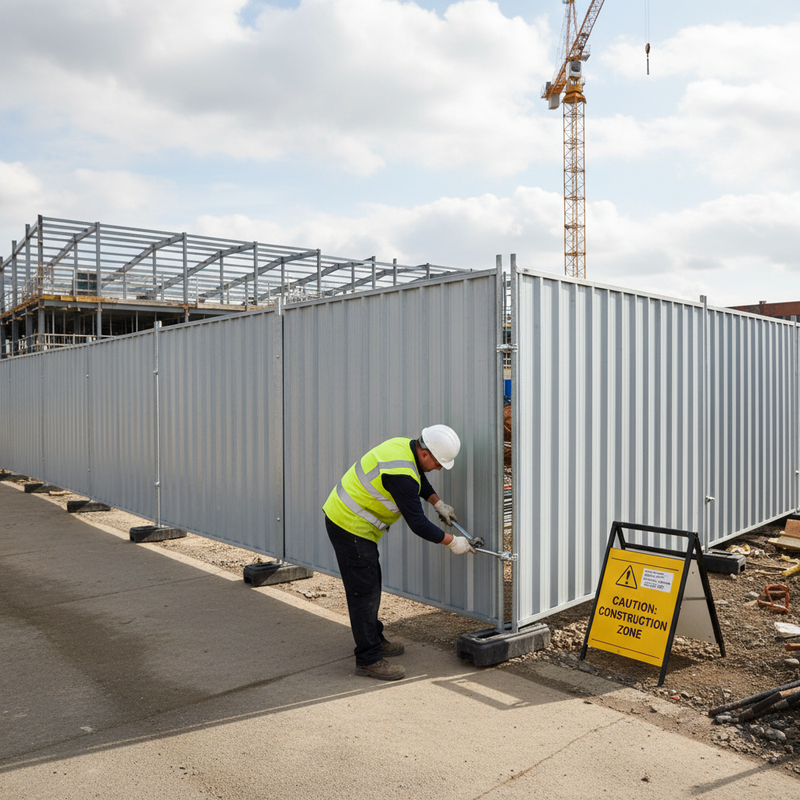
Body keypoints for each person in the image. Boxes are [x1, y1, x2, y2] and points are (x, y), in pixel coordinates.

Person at [322, 424, 476, 681]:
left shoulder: (406, 447)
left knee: (371, 586)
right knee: (364, 593)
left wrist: (437, 502)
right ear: (425, 453)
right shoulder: (401, 476)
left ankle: (374, 638)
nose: (439, 469)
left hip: (352, 522)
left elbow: (419, 478)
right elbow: (419, 524)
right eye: (439, 463)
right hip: (349, 525)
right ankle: (368, 659)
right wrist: (452, 542)